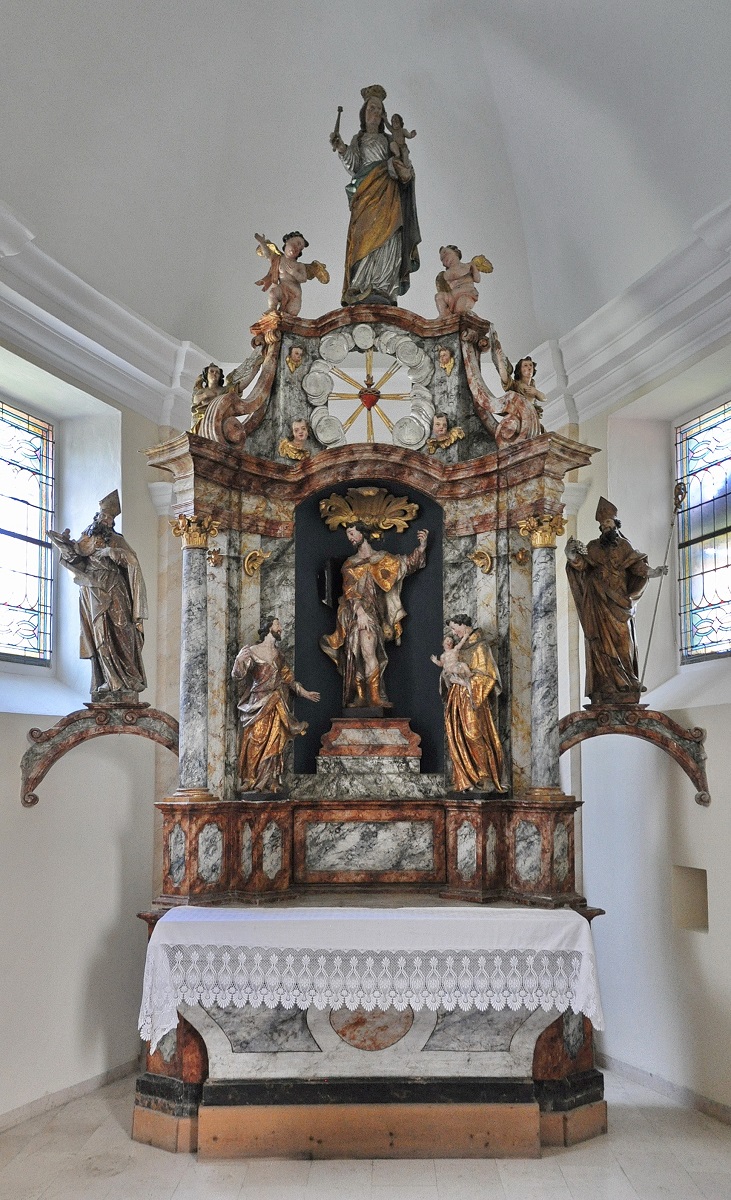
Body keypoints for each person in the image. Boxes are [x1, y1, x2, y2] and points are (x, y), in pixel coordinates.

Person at [565, 497, 666, 704]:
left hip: (619, 602)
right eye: (602, 525)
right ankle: (607, 685)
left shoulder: (624, 546)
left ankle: (629, 681)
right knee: (600, 643)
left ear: (615, 523)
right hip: (598, 601)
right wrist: (572, 556)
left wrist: (654, 572)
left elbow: (637, 567)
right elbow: (582, 566)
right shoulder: (593, 547)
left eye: (608, 523)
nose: (604, 527)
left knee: (623, 641)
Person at [48, 490, 147, 699]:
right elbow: (76, 559)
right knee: (99, 633)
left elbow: (132, 561)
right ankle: (109, 680)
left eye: (109, 518)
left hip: (115, 586)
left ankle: (129, 677)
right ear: (97, 516)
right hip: (92, 587)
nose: (105, 520)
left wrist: (110, 552)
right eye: (102, 516)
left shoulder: (116, 539)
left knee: (122, 629)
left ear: (112, 522)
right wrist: (64, 544)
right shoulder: (86, 537)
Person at [330, 84, 421, 307]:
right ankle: (360, 283)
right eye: (371, 108)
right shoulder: (358, 139)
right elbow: (353, 164)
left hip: (388, 193)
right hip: (365, 192)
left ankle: (383, 285)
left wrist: (403, 167)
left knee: (389, 236)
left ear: (383, 116)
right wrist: (341, 147)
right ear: (364, 112)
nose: (375, 113)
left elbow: (404, 164)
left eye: (379, 110)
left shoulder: (390, 140)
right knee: (362, 235)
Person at [320, 523, 428, 708]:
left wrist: (422, 547)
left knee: (367, 651)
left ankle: (372, 696)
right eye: (348, 534)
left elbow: (406, 564)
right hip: (353, 613)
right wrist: (360, 613)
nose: (350, 538)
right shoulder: (350, 564)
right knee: (358, 652)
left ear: (363, 533)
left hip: (373, 613)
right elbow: (350, 591)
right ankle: (365, 696)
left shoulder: (383, 558)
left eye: (352, 533)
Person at [232, 616, 320, 792]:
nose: (280, 629)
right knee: (255, 739)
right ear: (268, 628)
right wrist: (238, 660)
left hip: (278, 702)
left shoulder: (279, 656)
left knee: (275, 742)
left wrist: (305, 693)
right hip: (258, 702)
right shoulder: (252, 650)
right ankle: (251, 779)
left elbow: (289, 680)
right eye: (278, 625)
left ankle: (271, 781)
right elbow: (238, 675)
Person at [443, 615, 506, 793]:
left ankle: (485, 776)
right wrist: (448, 675)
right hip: (457, 697)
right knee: (457, 735)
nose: (454, 632)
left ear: (465, 626)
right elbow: (449, 667)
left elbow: (487, 675)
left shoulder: (480, 646)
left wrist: (465, 683)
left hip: (472, 696)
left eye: (456, 628)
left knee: (474, 733)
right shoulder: (459, 648)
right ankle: (465, 779)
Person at [254, 231, 329, 316]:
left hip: (295, 293)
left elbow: (303, 279)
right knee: (273, 293)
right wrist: (262, 243)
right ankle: (272, 308)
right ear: (287, 242)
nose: (298, 248)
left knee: (292, 314)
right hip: (282, 287)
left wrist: (293, 272)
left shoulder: (299, 265)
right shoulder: (279, 259)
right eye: (297, 243)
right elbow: (267, 254)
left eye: (300, 248)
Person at [434, 245, 492, 317]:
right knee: (439, 296)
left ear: (456, 253)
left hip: (466, 294)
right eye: (442, 259)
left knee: (460, 310)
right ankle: (443, 315)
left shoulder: (468, 266)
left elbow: (477, 279)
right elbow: (443, 289)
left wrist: (474, 267)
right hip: (452, 297)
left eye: (446, 253)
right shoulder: (445, 274)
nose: (445, 258)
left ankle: (470, 315)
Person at [430, 631, 473, 707]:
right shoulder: (443, 655)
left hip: (456, 666)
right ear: (443, 643)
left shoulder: (455, 650)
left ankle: (469, 673)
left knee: (463, 664)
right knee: (449, 681)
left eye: (451, 641)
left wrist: (466, 636)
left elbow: (461, 643)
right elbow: (441, 664)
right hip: (448, 670)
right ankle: (450, 690)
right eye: (447, 641)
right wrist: (435, 661)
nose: (449, 642)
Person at [190, 363, 225, 433]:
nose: (214, 373)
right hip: (205, 422)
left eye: (217, 372)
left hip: (221, 420)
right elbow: (195, 402)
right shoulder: (202, 391)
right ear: (206, 375)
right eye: (211, 371)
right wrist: (205, 395)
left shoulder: (224, 390)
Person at [385, 112, 416, 182]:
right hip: (396, 146)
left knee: (405, 160)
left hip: (403, 147)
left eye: (396, 121)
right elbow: (387, 125)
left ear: (400, 122)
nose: (395, 123)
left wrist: (411, 135)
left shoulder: (403, 130)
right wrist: (385, 118)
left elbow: (408, 135)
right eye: (393, 122)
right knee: (392, 144)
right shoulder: (393, 130)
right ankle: (397, 155)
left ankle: (406, 167)